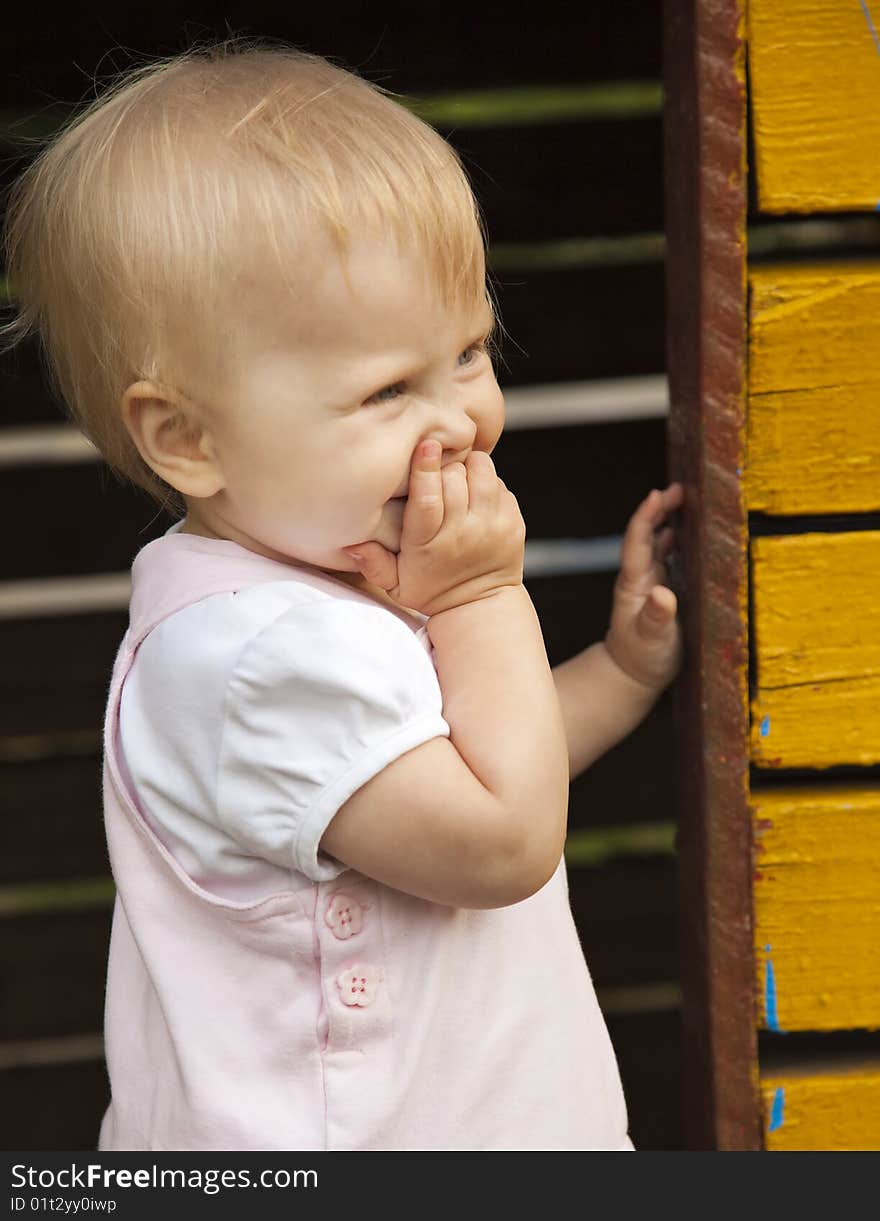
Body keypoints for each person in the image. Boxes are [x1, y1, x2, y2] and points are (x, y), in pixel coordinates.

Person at [2, 38, 683, 1151]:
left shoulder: (314, 589)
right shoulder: (254, 657)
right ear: (187, 438)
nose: (461, 418)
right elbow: (503, 840)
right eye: (386, 390)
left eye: (468, 352)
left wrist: (615, 674)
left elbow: (449, 771)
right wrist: (478, 597)